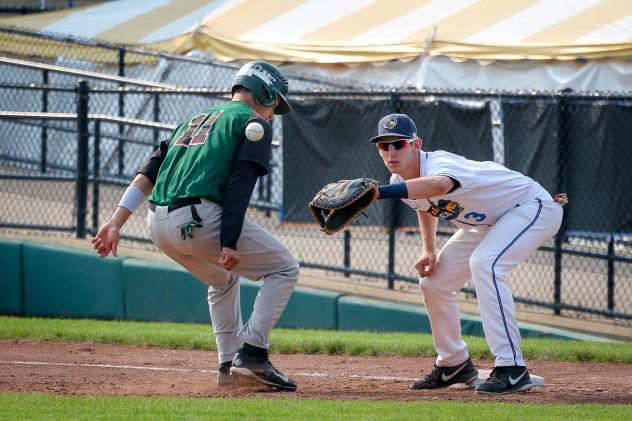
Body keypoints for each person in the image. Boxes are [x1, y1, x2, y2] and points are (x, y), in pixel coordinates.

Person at [91, 60, 300, 392]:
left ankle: (228, 368)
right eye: (274, 101)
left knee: (223, 280)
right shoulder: (251, 123)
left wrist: (116, 222)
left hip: (156, 224)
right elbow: (239, 187)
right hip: (201, 220)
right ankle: (253, 353)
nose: (273, 112)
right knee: (285, 268)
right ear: (263, 91)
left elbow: (149, 172)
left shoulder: (192, 120)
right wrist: (228, 242)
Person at [370, 113, 564, 395]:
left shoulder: (439, 164)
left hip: (530, 207)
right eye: (383, 146)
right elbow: (423, 204)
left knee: (485, 264)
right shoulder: (399, 180)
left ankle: (512, 368)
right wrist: (429, 249)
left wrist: (377, 193)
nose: (390, 151)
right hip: (487, 223)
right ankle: (454, 364)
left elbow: (438, 186)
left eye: (398, 143)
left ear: (416, 144)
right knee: (434, 283)